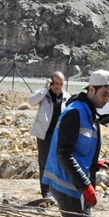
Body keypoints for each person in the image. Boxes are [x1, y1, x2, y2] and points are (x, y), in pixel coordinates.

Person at [29, 70, 109, 217]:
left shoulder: (89, 111)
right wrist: (85, 185)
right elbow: (63, 153)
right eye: (104, 93)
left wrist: (95, 163)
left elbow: (79, 148)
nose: (107, 98)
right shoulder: (75, 112)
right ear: (92, 89)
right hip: (66, 184)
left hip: (77, 182)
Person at [28, 71, 71, 202]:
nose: (58, 87)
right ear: (50, 83)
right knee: (45, 163)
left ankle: (57, 191)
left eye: (61, 84)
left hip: (59, 135)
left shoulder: (66, 97)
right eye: (55, 84)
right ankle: (46, 193)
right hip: (44, 135)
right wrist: (44, 89)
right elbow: (31, 101)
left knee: (59, 163)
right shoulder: (44, 94)